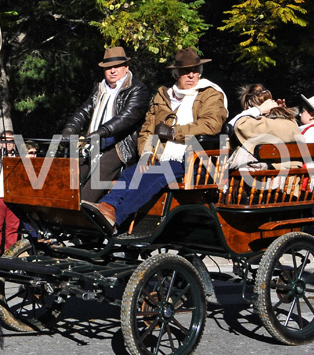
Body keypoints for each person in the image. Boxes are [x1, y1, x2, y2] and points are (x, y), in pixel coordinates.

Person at [88, 47, 227, 232]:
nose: (191, 75)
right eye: (186, 71)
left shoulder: (210, 94)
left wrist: (174, 132)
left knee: (155, 174)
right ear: (176, 73)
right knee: (131, 173)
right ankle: (107, 207)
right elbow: (147, 129)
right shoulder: (163, 96)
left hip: (194, 160)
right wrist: (145, 153)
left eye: (195, 70)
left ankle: (116, 219)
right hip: (161, 157)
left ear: (200, 72)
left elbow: (211, 125)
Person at [62, 46, 151, 203]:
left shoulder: (137, 89)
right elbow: (84, 111)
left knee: (95, 181)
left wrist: (102, 132)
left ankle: (83, 216)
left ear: (126, 67)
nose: (113, 70)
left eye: (117, 66)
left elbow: (127, 117)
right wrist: (70, 128)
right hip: (92, 145)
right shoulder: (100, 88)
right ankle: (59, 214)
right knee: (68, 179)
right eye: (108, 67)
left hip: (119, 146)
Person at [227, 84, 301, 170]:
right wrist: (280, 112)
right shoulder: (291, 122)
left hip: (267, 177)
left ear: (250, 107)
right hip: (294, 176)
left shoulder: (253, 124)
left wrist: (257, 110)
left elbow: (231, 126)